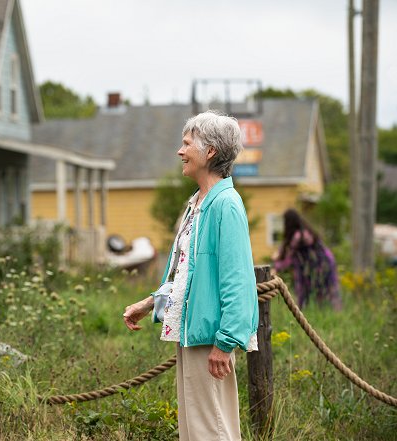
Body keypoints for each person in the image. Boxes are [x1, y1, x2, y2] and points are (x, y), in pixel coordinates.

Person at [123, 110, 259, 441]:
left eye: (186, 144)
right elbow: (186, 275)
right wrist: (149, 303)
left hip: (210, 339)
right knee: (196, 431)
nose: (180, 151)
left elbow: (238, 281)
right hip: (193, 332)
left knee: (211, 430)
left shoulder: (225, 205)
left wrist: (225, 343)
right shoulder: (198, 203)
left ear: (209, 151)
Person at [272, 208, 342, 310]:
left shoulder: (299, 236)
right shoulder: (302, 232)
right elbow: (286, 249)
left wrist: (276, 266)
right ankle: (309, 311)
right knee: (318, 292)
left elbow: (289, 258)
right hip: (320, 263)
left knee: (323, 292)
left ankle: (313, 312)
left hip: (321, 265)